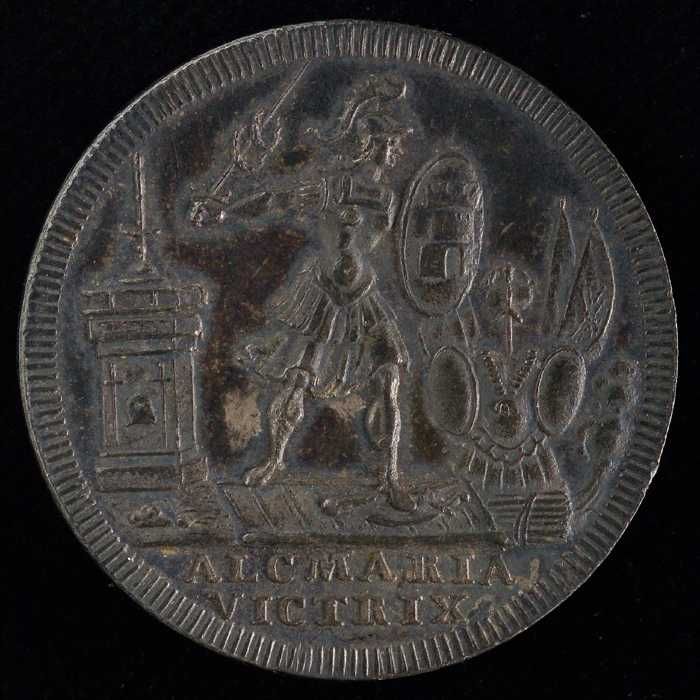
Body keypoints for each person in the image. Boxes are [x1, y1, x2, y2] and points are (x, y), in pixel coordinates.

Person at [192, 74, 416, 511]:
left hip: (363, 298)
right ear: (371, 144)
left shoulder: (387, 196)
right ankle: (275, 460)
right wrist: (224, 211)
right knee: (297, 378)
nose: (397, 151)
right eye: (391, 142)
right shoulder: (331, 186)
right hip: (323, 296)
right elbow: (275, 201)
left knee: (389, 379)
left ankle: (391, 476)